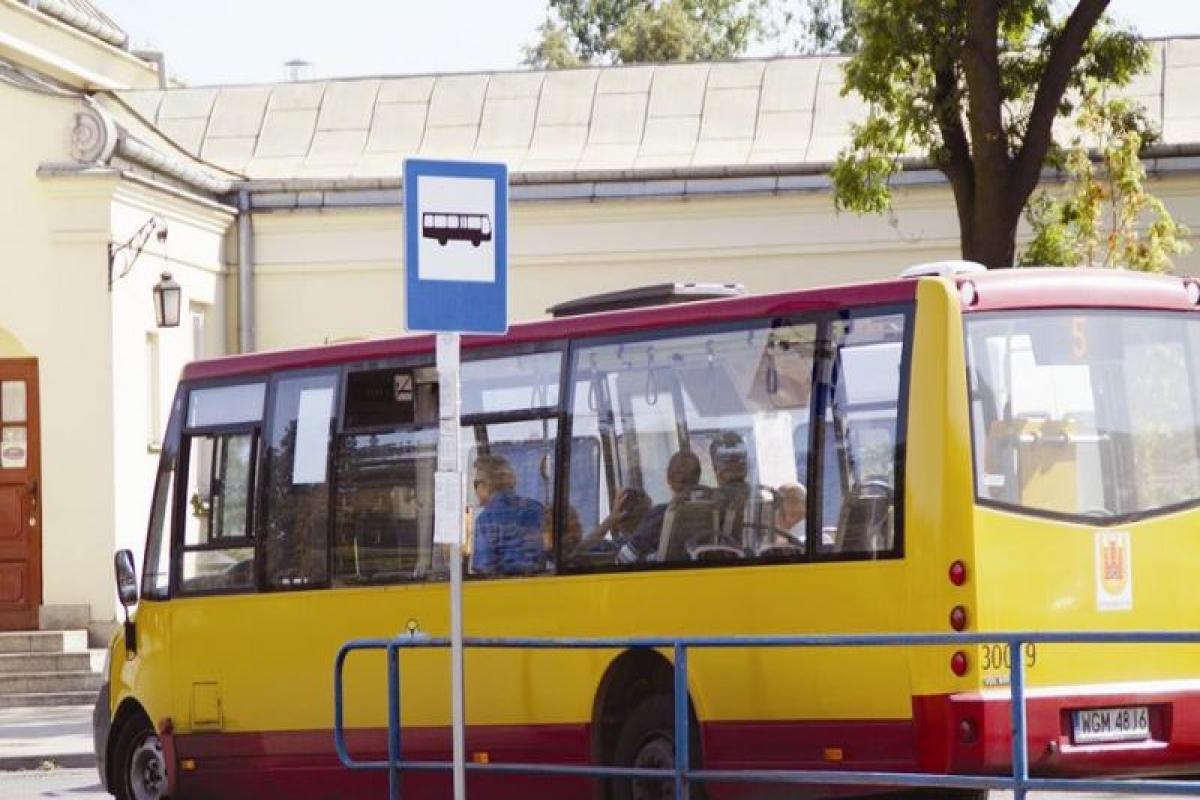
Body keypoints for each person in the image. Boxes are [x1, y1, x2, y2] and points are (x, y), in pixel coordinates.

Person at [619, 450, 703, 562]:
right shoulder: (711, 511)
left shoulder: (659, 515)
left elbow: (624, 559)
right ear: (697, 478)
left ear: (669, 478)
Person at [469, 453, 545, 576]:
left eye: (475, 484)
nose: (475, 490)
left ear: (486, 484)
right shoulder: (536, 508)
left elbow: (483, 567)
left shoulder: (486, 519)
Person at [570, 487, 652, 561]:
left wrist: (610, 520)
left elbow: (576, 552)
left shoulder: (610, 549)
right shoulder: (657, 546)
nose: (579, 525)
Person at [709, 431, 751, 539]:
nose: (734, 463)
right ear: (715, 465)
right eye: (726, 457)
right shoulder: (707, 502)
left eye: (739, 456)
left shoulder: (764, 497)